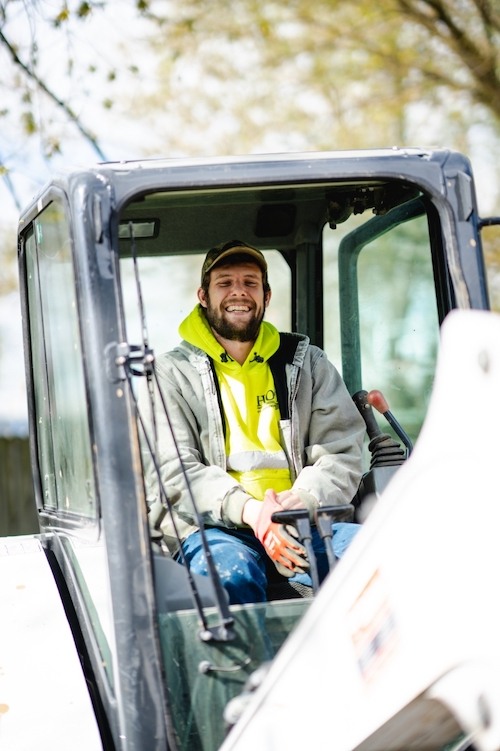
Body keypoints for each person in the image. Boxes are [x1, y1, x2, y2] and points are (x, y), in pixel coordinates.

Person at [141, 240, 366, 604]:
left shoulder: (308, 364)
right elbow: (174, 470)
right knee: (229, 578)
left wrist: (298, 503)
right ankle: (248, 664)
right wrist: (252, 512)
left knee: (380, 553)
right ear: (203, 295)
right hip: (216, 529)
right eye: (225, 282)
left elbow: (341, 454)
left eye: (250, 282)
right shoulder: (170, 374)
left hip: (303, 520)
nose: (238, 292)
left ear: (266, 295)